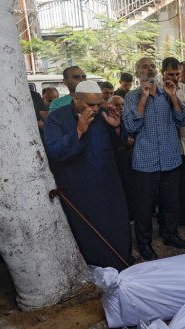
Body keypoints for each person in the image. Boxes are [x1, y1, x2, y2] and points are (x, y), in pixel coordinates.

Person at [44, 80, 133, 269]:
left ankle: (124, 264)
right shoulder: (56, 118)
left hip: (109, 183)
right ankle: (100, 270)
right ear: (76, 98)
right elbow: (55, 152)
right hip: (80, 188)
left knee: (117, 225)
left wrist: (116, 127)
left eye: (98, 104)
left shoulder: (102, 114)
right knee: (92, 233)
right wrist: (78, 131)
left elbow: (121, 145)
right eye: (90, 104)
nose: (95, 109)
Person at [123, 57, 185, 260]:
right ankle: (144, 244)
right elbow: (131, 127)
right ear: (137, 73)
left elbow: (182, 119)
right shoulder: (132, 97)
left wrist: (173, 97)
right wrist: (143, 98)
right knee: (144, 206)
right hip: (145, 161)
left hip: (170, 158)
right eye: (144, 66)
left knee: (171, 202)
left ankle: (170, 234)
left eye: (152, 66)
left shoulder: (167, 93)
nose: (150, 69)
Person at [159, 57, 185, 226]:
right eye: (171, 74)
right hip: (168, 147)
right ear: (162, 73)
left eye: (177, 74)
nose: (175, 78)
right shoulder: (156, 91)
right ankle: (167, 220)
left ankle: (184, 215)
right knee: (168, 187)